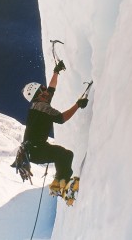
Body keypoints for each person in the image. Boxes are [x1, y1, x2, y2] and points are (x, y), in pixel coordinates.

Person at [13, 60, 88, 194]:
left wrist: (56, 72)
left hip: (35, 148)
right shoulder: (42, 107)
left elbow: (51, 88)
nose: (46, 91)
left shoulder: (40, 102)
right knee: (63, 155)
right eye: (43, 91)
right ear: (38, 96)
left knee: (66, 154)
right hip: (36, 150)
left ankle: (58, 184)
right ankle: (61, 187)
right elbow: (61, 119)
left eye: (44, 88)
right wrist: (78, 104)